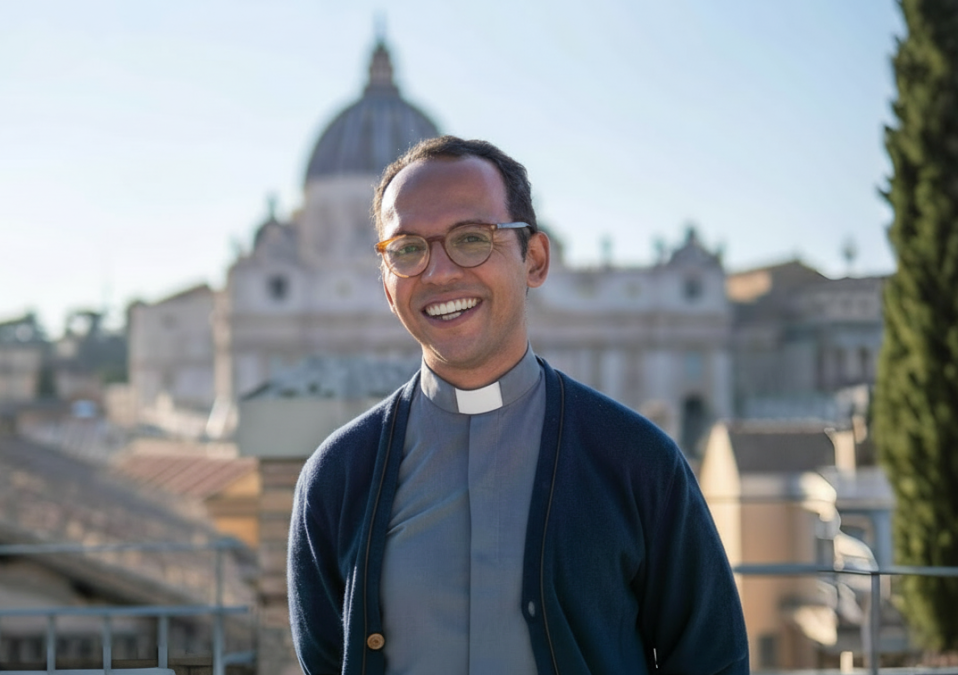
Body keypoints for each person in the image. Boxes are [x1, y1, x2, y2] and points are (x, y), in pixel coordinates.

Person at [287, 136, 749, 675]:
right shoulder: (336, 477)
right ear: (388, 286)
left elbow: (712, 661)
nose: (438, 273)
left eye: (471, 239)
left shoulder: (638, 460)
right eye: (408, 248)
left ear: (535, 259)